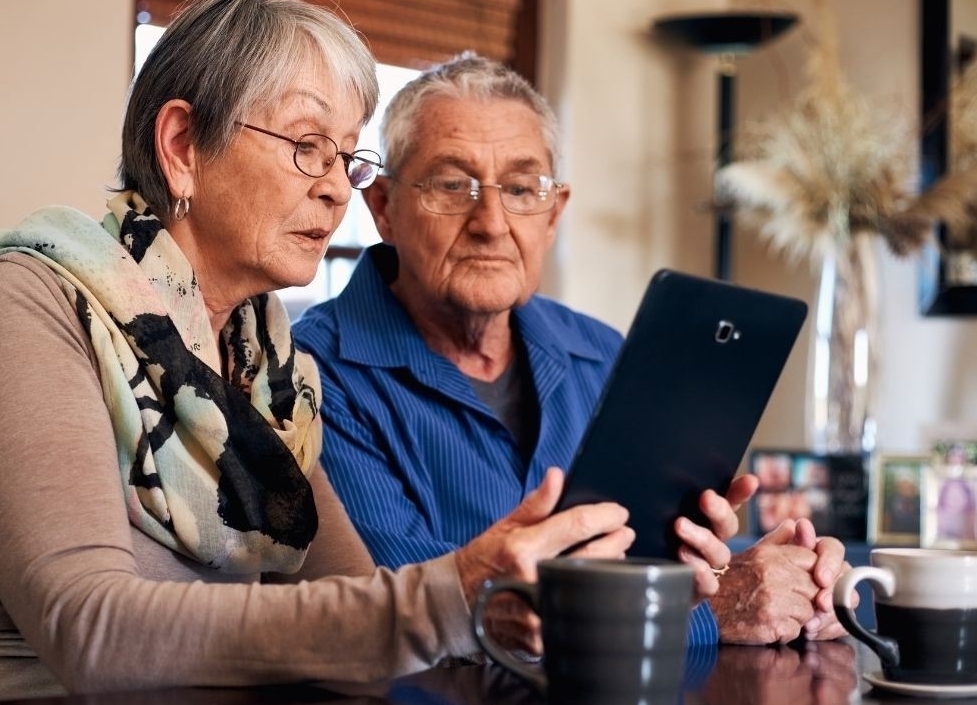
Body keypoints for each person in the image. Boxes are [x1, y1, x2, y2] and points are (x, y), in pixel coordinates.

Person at [0, 0, 736, 705]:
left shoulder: (266, 369)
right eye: (307, 146)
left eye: (347, 159)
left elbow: (350, 605)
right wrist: (455, 593)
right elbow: (89, 631)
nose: (337, 194)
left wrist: (526, 601)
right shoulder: (28, 299)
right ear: (184, 145)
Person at [294, 54, 851, 646]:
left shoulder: (604, 354)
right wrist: (711, 610)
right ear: (383, 208)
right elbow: (410, 614)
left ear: (553, 213)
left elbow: (671, 563)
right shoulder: (308, 373)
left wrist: (776, 580)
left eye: (521, 188)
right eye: (453, 185)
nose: (491, 221)